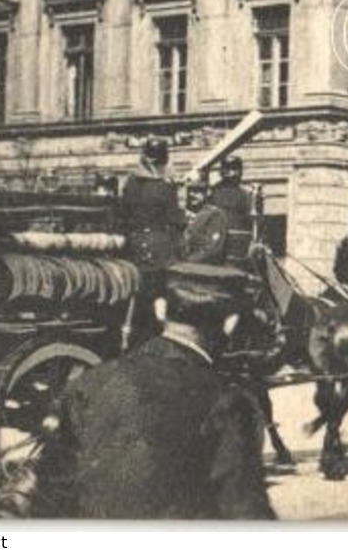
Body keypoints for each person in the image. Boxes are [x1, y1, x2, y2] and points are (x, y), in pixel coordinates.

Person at [33, 264, 275, 519]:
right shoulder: (230, 402)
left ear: (160, 310)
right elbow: (246, 512)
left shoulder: (91, 382)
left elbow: (49, 492)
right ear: (230, 323)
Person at [123, 137, 187, 269]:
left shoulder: (131, 181)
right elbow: (174, 219)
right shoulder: (166, 186)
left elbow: (124, 212)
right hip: (160, 245)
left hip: (133, 243)